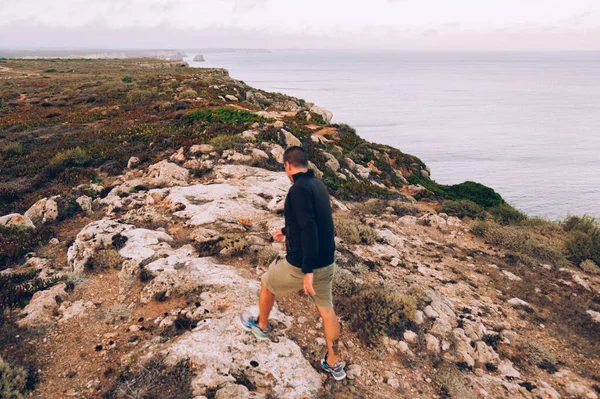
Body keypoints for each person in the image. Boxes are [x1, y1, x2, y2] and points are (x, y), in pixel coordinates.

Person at [239, 146, 346, 380]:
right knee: (326, 310)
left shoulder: (297, 189)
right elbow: (314, 221)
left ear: (287, 165)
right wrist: (286, 230)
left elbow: (308, 228)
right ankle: (334, 363)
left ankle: (261, 326)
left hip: (303, 263)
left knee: (267, 281)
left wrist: (307, 271)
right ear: (306, 164)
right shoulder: (318, 185)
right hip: (327, 260)